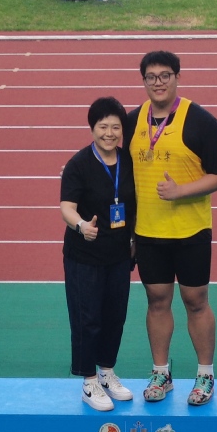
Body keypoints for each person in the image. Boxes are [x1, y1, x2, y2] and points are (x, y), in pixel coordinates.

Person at [125, 51, 217, 406]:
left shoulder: (201, 121)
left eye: (165, 75)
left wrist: (181, 191)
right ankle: (161, 373)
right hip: (148, 233)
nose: (158, 82)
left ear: (177, 78)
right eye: (151, 76)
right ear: (143, 81)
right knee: (157, 301)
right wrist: (129, 232)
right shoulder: (132, 122)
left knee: (195, 301)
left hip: (191, 232)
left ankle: (205, 375)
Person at [60, 97, 137, 411]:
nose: (109, 133)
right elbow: (67, 207)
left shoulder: (128, 160)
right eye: (103, 126)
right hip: (85, 256)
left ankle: (107, 372)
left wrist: (135, 238)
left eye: (115, 127)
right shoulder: (79, 164)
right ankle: (89, 381)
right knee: (87, 318)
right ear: (92, 128)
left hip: (118, 255)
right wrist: (81, 226)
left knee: (114, 317)